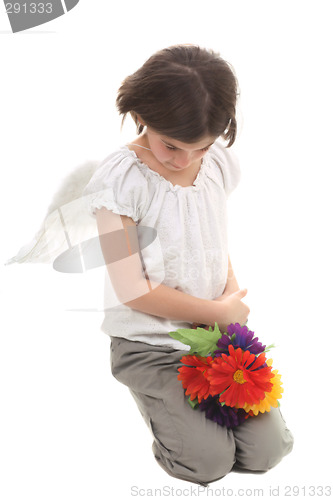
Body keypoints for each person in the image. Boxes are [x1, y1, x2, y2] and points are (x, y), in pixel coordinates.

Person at [83, 44, 294, 485]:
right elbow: (132, 289)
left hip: (213, 336)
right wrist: (218, 312)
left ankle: (199, 423)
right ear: (140, 112)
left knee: (267, 453)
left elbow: (210, 237)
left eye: (201, 147)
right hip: (149, 346)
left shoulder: (214, 164)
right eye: (172, 145)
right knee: (207, 464)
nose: (185, 160)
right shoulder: (120, 181)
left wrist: (229, 303)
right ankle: (171, 418)